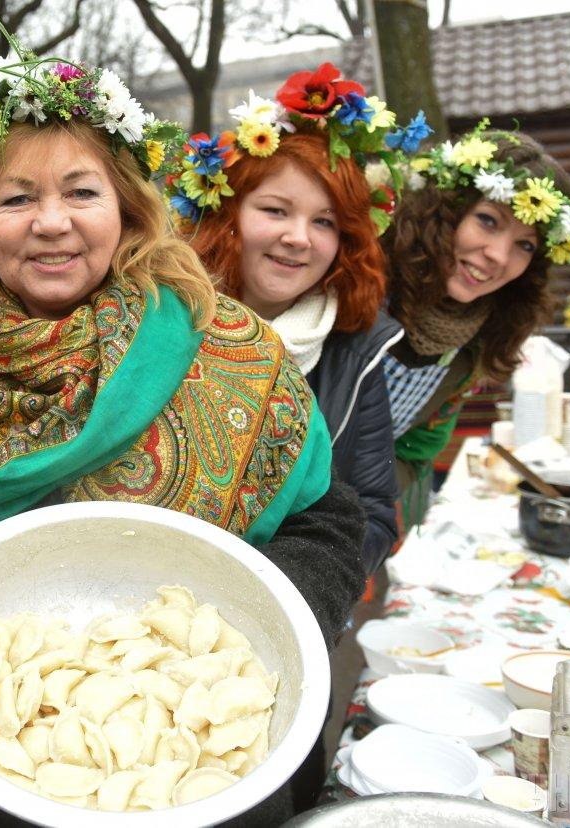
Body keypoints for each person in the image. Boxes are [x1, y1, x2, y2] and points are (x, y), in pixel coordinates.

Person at [0, 55, 366, 826]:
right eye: (17, 197)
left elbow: (333, 525)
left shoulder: (230, 348)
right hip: (6, 778)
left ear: (128, 212)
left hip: (209, 771)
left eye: (81, 192)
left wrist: (248, 632)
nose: (51, 221)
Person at [178, 63, 428, 577]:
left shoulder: (354, 351)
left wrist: (282, 596)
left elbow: (374, 515)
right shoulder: (166, 323)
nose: (299, 238)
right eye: (275, 210)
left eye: (324, 222)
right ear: (229, 215)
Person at [381, 122, 570, 522]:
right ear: (446, 209)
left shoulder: (474, 341)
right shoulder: (359, 287)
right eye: (488, 221)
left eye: (524, 245)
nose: (497, 255)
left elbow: (413, 452)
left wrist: (357, 515)